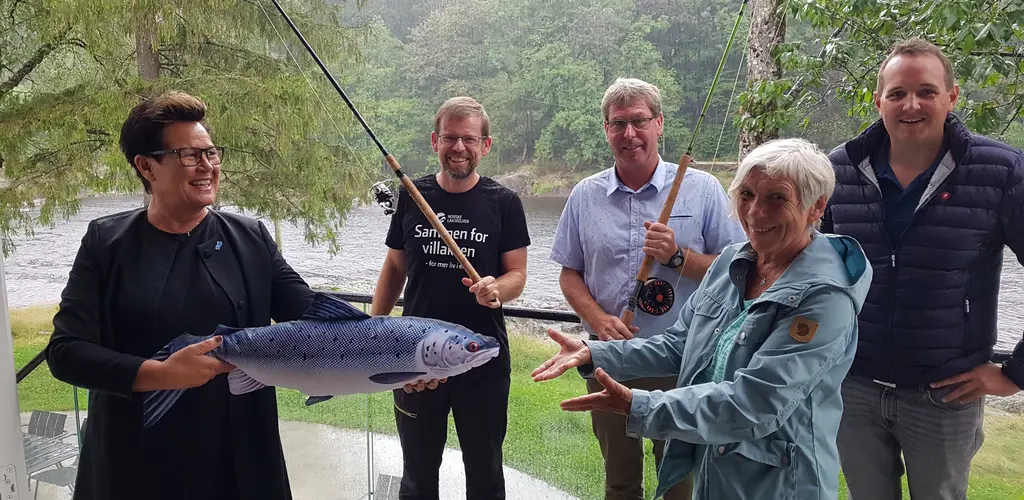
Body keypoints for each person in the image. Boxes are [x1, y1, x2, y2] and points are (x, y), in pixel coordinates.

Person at [534, 138, 873, 499]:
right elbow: (681, 344)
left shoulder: (825, 297)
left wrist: (639, 404)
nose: (755, 212)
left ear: (816, 206)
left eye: (777, 198)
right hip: (716, 472)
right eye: (746, 194)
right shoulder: (732, 262)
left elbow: (755, 404)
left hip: (778, 483)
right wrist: (596, 353)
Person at [44, 91, 315, 499]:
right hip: (137, 462)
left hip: (240, 460)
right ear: (146, 166)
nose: (207, 166)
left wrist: (406, 353)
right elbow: (66, 352)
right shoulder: (106, 243)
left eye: (211, 153)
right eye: (189, 155)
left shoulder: (250, 238)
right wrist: (162, 375)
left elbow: (315, 315)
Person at [822, 37, 1024, 500]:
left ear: (952, 97)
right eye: (897, 93)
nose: (911, 104)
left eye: (926, 92)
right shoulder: (839, 171)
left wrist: (1014, 373)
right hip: (854, 390)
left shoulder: (1001, 171)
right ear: (879, 102)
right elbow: (815, 271)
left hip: (945, 395)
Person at [548, 77, 744, 500]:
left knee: (677, 475)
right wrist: (598, 320)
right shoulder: (585, 195)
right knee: (620, 480)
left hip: (684, 359)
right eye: (618, 124)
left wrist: (678, 257)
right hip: (611, 359)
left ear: (659, 124)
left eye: (639, 121)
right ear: (606, 130)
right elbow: (569, 274)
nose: (629, 134)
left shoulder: (703, 189)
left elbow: (737, 272)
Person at [370, 96, 530, 500]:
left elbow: (518, 276)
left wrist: (497, 288)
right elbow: (394, 268)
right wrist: (374, 327)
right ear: (435, 141)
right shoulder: (411, 193)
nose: (459, 147)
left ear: (485, 146)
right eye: (450, 138)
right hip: (414, 356)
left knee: (485, 468)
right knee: (418, 470)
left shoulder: (505, 203)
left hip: (483, 358)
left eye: (469, 139)